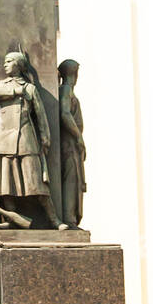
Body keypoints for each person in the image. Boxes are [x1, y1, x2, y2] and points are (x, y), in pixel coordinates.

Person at [0, 52, 62, 229]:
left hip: (24, 136)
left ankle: (54, 219)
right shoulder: (0, 85)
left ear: (19, 65)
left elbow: (40, 115)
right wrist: (16, 91)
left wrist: (45, 137)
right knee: (6, 180)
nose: (5, 65)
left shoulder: (30, 89)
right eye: (4, 61)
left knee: (37, 182)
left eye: (9, 61)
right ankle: (10, 219)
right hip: (2, 137)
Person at [58, 58, 86, 229]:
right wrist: (78, 137)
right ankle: (69, 219)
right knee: (71, 180)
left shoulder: (65, 90)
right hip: (69, 143)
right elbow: (65, 114)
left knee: (73, 179)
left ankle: (70, 218)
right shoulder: (66, 89)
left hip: (70, 143)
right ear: (74, 74)